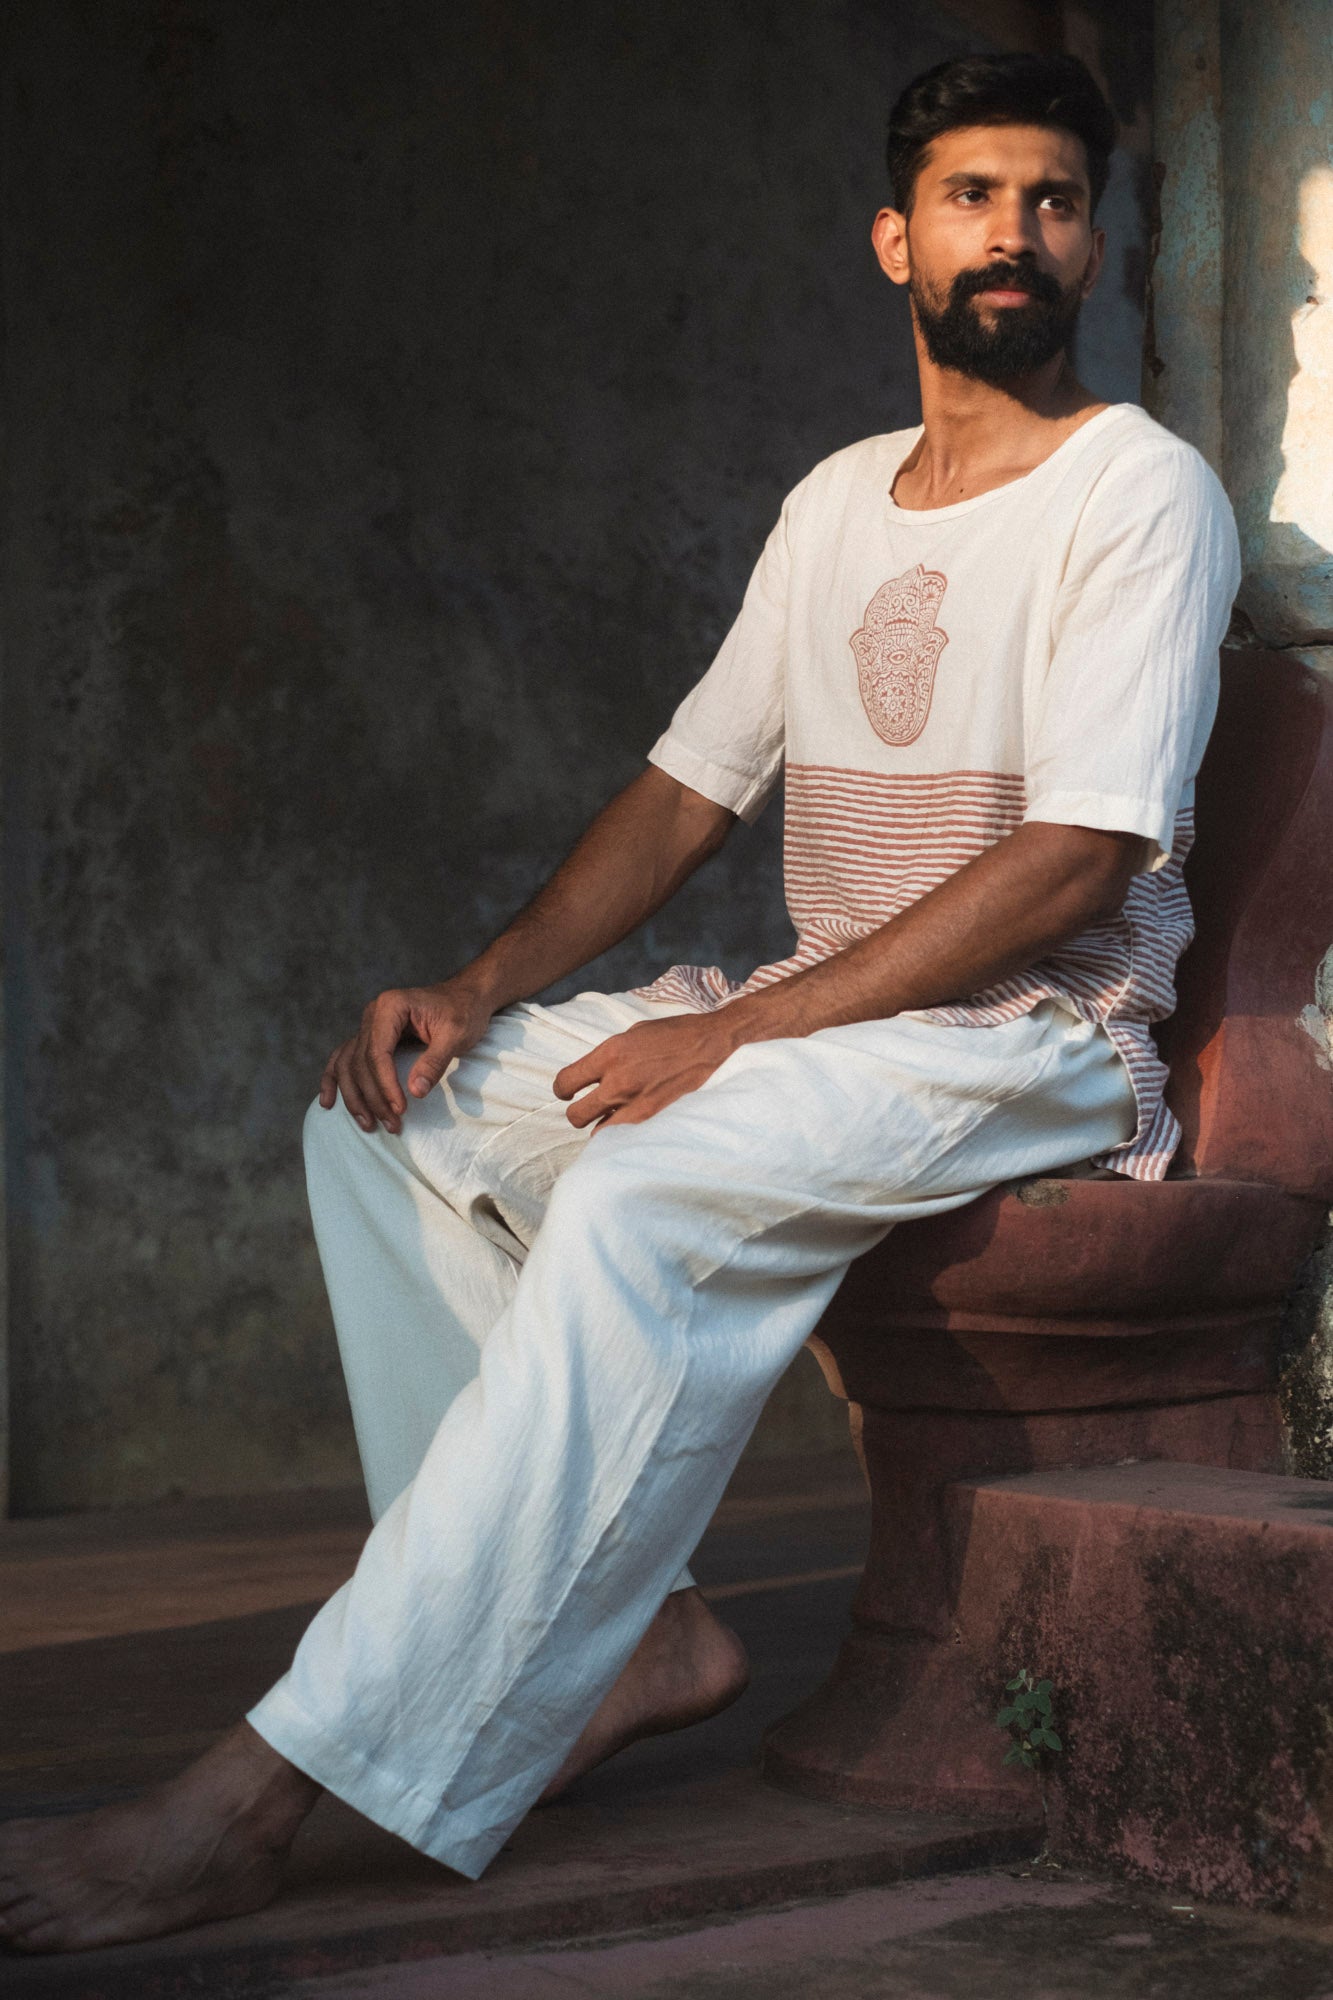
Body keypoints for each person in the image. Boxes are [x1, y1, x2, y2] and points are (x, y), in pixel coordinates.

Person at [0, 49, 1239, 1953]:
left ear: (1090, 241)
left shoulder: (1136, 489)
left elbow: (1077, 860)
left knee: (650, 1180)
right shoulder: (835, 501)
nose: (1017, 232)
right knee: (389, 1119)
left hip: (1032, 1041)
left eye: (1054, 200)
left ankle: (278, 1791)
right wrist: (476, 985)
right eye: (975, 196)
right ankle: (619, 1648)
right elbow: (684, 790)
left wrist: (731, 1035)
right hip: (828, 1015)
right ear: (894, 238)